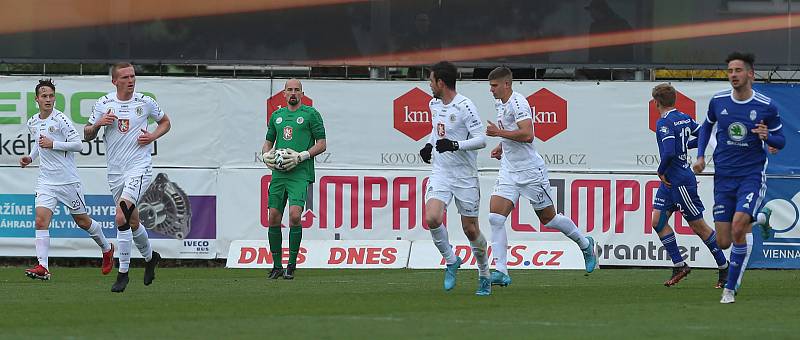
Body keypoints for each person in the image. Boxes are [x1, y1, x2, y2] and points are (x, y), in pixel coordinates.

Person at [484, 67, 597, 287]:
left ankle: (585, 244)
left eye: (494, 86)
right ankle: (501, 271)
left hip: (529, 171)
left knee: (548, 219)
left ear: (507, 84)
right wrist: (501, 145)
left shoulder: (518, 103)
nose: (491, 90)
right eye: (490, 86)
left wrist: (499, 134)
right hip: (509, 168)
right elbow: (512, 132)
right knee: (495, 218)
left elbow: (527, 134)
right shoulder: (500, 103)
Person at [693, 52, 785, 304]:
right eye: (730, 71)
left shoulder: (766, 105)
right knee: (723, 242)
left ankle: (729, 289)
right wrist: (700, 156)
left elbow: (781, 140)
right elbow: (706, 128)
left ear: (750, 74)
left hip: (751, 176)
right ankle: (761, 218)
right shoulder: (718, 101)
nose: (733, 75)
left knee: (737, 229)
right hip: (724, 177)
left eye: (738, 70)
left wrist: (768, 136)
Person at [85, 63, 171, 293]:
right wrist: (97, 125)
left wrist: (152, 135)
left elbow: (165, 122)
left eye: (133, 76)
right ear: (115, 81)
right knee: (132, 222)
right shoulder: (104, 103)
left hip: (139, 167)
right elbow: (87, 133)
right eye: (125, 77)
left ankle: (122, 273)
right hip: (115, 171)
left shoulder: (145, 102)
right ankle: (151, 257)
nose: (131, 80)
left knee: (120, 214)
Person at [20, 79, 115, 280]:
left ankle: (107, 249)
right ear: (36, 99)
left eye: (51, 96)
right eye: (44, 96)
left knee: (82, 221)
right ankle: (43, 267)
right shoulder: (33, 121)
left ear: (55, 98)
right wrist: (30, 156)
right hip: (46, 181)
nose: (48, 99)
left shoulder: (61, 119)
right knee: (40, 221)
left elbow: (78, 145)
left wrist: (53, 143)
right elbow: (39, 144)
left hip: (67, 181)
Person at [418, 61, 491, 296]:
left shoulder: (465, 106)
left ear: (441, 82)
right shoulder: (434, 104)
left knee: (470, 229)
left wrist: (456, 145)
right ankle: (451, 260)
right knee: (432, 217)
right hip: (441, 173)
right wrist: (429, 146)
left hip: (465, 176)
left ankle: (484, 274)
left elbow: (481, 139)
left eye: (431, 81)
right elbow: (436, 130)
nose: (429, 86)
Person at [649, 83, 729, 288]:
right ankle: (679, 265)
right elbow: (703, 133)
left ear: (656, 102)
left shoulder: (664, 122)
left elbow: (668, 152)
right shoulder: (684, 117)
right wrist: (685, 144)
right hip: (671, 182)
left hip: (679, 181)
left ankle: (724, 268)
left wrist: (660, 170)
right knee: (657, 221)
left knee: (699, 227)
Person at [261, 79, 326, 280]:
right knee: (273, 217)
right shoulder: (277, 116)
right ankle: (277, 265)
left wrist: (301, 156)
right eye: (290, 90)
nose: (293, 93)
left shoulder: (311, 114)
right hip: (279, 174)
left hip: (299, 172)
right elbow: (268, 143)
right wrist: (265, 156)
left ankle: (291, 264)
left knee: (295, 216)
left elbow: (322, 144)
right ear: (283, 93)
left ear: (302, 93)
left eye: (297, 90)